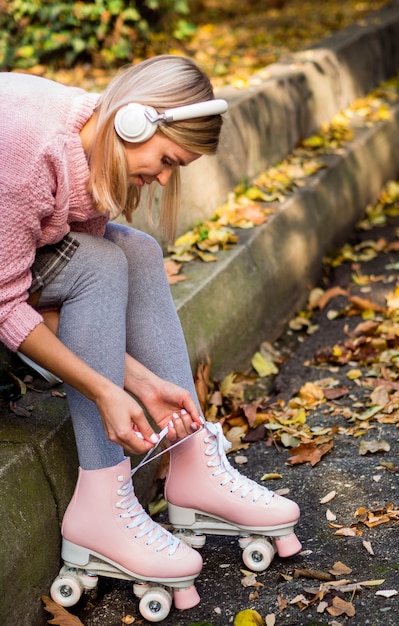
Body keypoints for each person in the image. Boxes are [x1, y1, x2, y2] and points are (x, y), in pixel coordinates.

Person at [0, 55, 301, 615]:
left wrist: (138, 380)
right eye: (167, 160)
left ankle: (190, 458)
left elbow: (58, 305)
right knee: (100, 265)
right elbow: (5, 305)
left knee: (135, 250)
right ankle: (99, 504)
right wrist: (107, 390)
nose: (165, 178)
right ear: (134, 122)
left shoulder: (88, 150)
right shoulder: (28, 154)